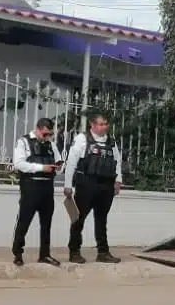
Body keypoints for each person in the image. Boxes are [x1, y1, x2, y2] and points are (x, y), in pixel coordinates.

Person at [64, 111, 124, 264]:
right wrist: (67, 185)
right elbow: (71, 162)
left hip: (106, 186)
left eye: (106, 124)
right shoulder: (82, 139)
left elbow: (117, 161)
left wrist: (118, 181)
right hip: (86, 184)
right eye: (100, 124)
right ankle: (74, 251)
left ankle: (103, 252)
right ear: (92, 124)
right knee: (78, 219)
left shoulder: (111, 141)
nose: (104, 127)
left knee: (102, 220)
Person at [11, 117, 63, 267]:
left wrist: (58, 167)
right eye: (45, 134)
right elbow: (19, 164)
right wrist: (41, 168)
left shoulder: (50, 144)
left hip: (47, 187)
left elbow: (58, 161)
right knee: (24, 221)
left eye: (49, 134)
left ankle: (45, 254)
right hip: (30, 186)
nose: (47, 137)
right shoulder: (24, 142)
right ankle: (18, 253)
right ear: (37, 129)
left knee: (46, 223)